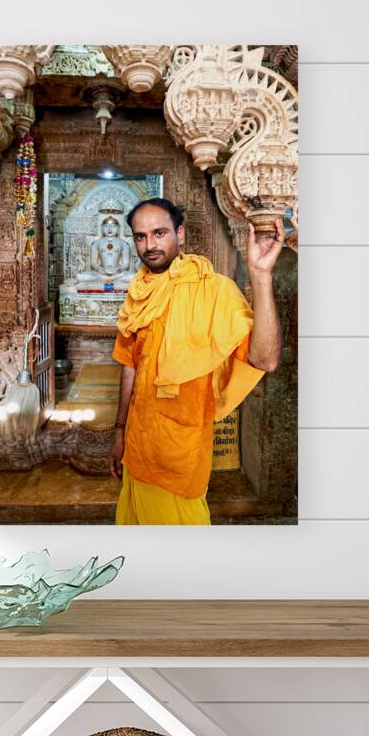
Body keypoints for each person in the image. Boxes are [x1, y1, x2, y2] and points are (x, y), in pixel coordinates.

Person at [108, 197, 283, 524]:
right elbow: (130, 365)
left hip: (180, 453)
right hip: (137, 446)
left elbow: (265, 360)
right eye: (140, 236)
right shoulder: (138, 293)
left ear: (180, 234)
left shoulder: (214, 290)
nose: (150, 245)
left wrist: (261, 275)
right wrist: (119, 432)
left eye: (160, 233)